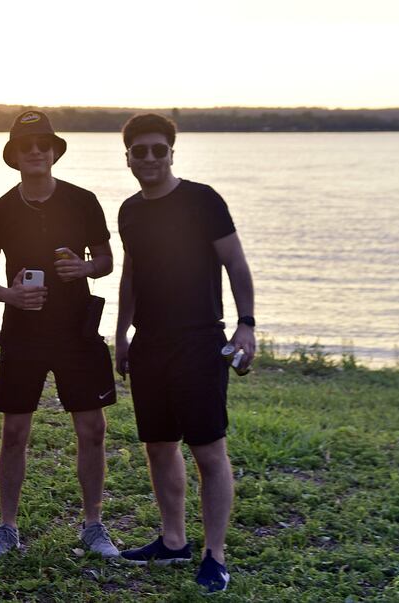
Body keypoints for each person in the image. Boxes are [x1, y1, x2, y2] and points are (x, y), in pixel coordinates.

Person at [115, 114, 256, 593]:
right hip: (149, 343)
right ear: (128, 156)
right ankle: (173, 541)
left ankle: (213, 555)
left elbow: (235, 263)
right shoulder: (129, 210)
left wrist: (247, 325)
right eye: (141, 151)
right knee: (158, 445)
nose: (150, 158)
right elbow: (130, 275)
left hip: (199, 340)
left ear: (172, 153)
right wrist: (121, 335)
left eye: (159, 149)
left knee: (208, 450)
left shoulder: (202, 200)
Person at [0, 110, 119, 559]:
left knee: (92, 428)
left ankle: (93, 525)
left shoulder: (83, 200)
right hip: (23, 332)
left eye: (42, 144)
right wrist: (9, 297)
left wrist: (86, 267)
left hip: (78, 331)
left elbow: (107, 260)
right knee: (14, 432)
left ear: (54, 151)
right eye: (25, 146)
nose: (35, 151)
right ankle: (7, 527)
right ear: (14, 156)